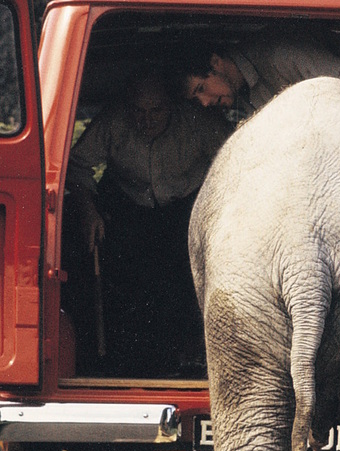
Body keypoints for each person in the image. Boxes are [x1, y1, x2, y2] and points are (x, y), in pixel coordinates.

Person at [65, 69, 232, 377]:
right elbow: (76, 165)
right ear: (128, 107)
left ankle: (190, 357)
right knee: (128, 287)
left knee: (186, 286)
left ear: (171, 105)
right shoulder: (113, 121)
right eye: (138, 111)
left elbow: (237, 161)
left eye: (156, 111)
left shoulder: (199, 122)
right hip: (128, 208)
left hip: (185, 209)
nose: (146, 120)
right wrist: (88, 211)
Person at [179, 37, 340, 115]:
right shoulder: (242, 95)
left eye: (201, 89)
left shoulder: (279, 56)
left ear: (216, 62)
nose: (205, 103)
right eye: (197, 100)